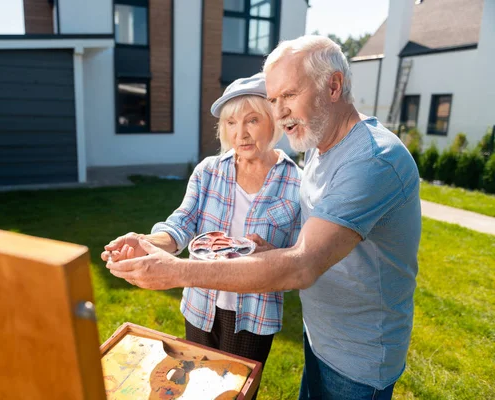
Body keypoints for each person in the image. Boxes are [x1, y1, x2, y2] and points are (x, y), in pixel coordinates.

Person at [106, 35, 422, 400]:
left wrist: (174, 271)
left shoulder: (371, 161)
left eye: (288, 96)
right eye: (274, 100)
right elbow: (309, 244)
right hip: (322, 337)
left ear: (333, 86)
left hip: (358, 354)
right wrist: (150, 243)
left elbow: (302, 264)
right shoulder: (322, 149)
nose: (280, 111)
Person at [102, 73, 303, 398]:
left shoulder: (296, 183)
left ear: (273, 122)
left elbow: (302, 261)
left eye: (252, 120)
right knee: (196, 390)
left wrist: (271, 254)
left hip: (254, 314)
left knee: (236, 393)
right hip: (201, 305)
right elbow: (181, 225)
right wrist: (144, 241)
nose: (241, 133)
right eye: (232, 123)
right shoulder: (208, 171)